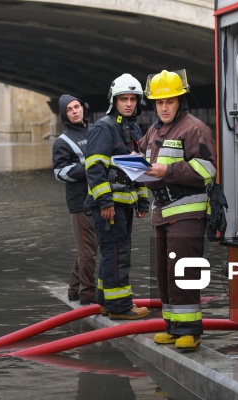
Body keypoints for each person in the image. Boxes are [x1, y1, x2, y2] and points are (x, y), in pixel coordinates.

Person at [139, 69, 217, 351]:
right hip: (162, 213)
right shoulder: (153, 130)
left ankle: (191, 331)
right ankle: (172, 327)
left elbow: (207, 170)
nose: (164, 107)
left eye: (169, 101)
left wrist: (167, 170)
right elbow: (144, 160)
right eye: (159, 102)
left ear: (180, 101)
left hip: (187, 212)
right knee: (165, 274)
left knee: (184, 273)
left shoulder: (194, 128)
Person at [84, 73, 150, 320]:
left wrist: (142, 200)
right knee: (116, 254)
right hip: (109, 206)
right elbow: (95, 167)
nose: (129, 103)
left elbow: (137, 168)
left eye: (133, 99)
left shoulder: (131, 128)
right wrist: (105, 202)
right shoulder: (104, 127)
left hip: (124, 204)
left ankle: (104, 301)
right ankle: (120, 307)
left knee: (114, 252)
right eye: (124, 98)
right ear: (115, 100)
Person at [52, 94, 98, 305]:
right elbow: (60, 173)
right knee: (87, 252)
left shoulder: (95, 131)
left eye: (77, 106)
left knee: (87, 249)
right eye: (70, 109)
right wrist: (88, 166)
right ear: (65, 115)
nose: (75, 111)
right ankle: (87, 295)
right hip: (80, 203)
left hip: (99, 198)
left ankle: (73, 289)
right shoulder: (62, 142)